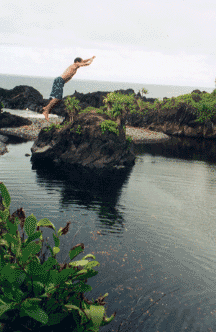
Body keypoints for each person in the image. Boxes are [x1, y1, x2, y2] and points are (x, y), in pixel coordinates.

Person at [42, 56, 96, 121]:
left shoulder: (75, 65)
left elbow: (83, 61)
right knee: (57, 98)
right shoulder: (75, 64)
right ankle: (46, 111)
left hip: (60, 81)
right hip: (59, 80)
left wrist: (90, 58)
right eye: (80, 62)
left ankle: (46, 108)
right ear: (77, 62)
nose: (81, 64)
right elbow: (86, 64)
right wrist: (91, 60)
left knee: (58, 98)